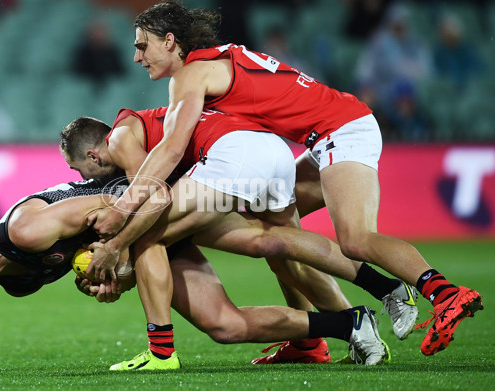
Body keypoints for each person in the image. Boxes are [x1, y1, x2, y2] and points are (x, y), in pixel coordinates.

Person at [92, 0, 482, 358]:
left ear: (170, 40)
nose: (137, 56)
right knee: (277, 240)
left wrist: (125, 209)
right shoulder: (220, 58)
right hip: (320, 137)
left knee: (356, 239)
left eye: (143, 45)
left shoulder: (191, 75)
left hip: (341, 131)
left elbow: (172, 149)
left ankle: (438, 292)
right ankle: (309, 342)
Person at [0, 177, 390, 371]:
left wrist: (116, 252)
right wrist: (108, 281)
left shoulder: (27, 230)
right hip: (145, 239)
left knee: (268, 236)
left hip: (157, 204)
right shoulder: (19, 281)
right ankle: (351, 324)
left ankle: (340, 186)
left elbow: (114, 203)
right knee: (224, 326)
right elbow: (94, 263)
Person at [60, 112, 415, 368]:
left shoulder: (120, 139)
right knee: (275, 243)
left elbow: (156, 198)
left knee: (143, 236)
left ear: (92, 154)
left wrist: (114, 250)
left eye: (78, 169)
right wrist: (119, 269)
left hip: (232, 155)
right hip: (268, 150)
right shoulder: (141, 134)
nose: (81, 176)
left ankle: (160, 352)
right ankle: (369, 304)